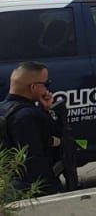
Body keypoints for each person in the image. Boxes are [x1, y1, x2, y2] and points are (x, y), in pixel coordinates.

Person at [1, 62, 61, 196]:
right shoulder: (28, 116)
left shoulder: (3, 110)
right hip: (29, 189)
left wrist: (45, 109)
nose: (47, 89)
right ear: (33, 87)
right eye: (46, 84)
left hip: (7, 184)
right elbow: (34, 159)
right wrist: (51, 189)